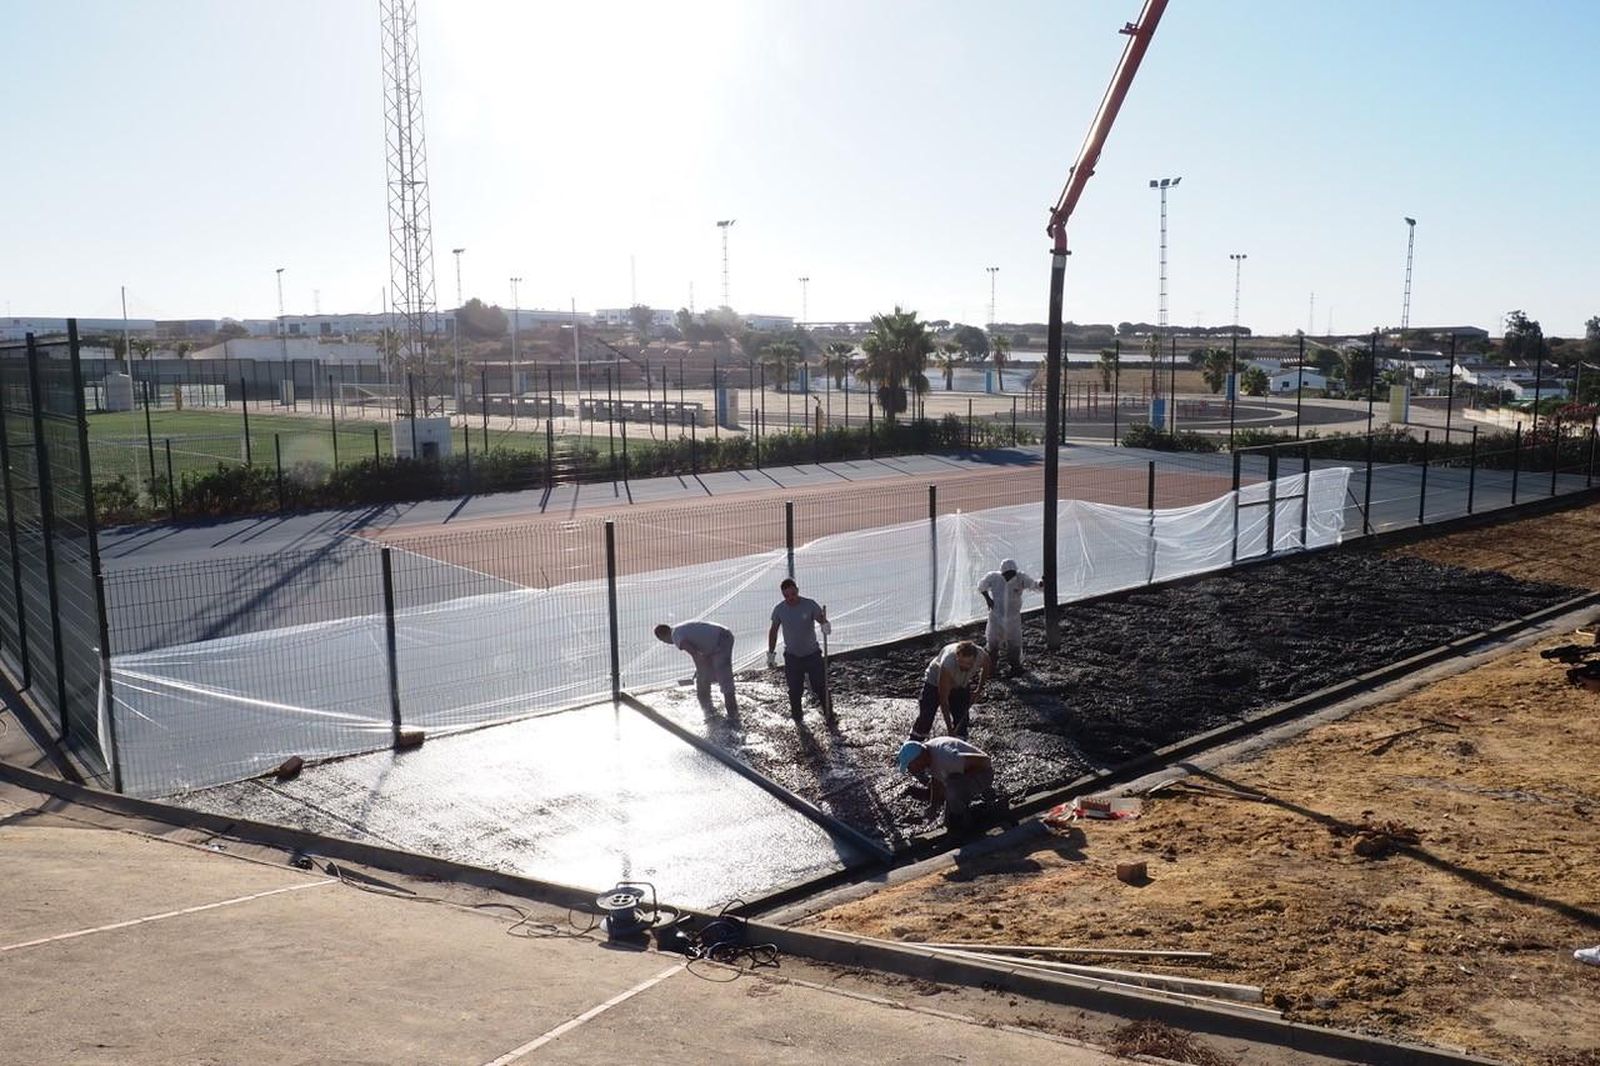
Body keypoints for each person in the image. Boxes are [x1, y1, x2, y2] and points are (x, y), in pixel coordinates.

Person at [766, 578, 831, 717]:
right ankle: (797, 718)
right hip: (792, 656)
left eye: (793, 594)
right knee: (795, 690)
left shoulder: (809, 605)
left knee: (820, 686)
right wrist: (771, 654)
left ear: (797, 590)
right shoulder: (779, 610)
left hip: (812, 654)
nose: (791, 598)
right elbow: (773, 631)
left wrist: (825, 625)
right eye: (787, 596)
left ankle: (829, 713)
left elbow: (821, 619)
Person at [897, 737, 994, 829]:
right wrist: (933, 807)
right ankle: (955, 819)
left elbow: (985, 761)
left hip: (984, 774)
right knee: (949, 790)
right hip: (960, 773)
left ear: (918, 758)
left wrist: (961, 780)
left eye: (910, 766)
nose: (911, 771)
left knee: (952, 789)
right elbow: (936, 778)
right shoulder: (927, 752)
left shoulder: (948, 757)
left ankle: (965, 823)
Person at [910, 640, 990, 741]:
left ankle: (960, 739)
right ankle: (915, 740)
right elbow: (944, 700)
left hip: (961, 681)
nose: (964, 665)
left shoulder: (982, 656)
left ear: (975, 659)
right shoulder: (948, 663)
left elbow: (986, 667)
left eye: (968, 663)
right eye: (961, 662)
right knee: (927, 714)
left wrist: (978, 690)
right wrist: (949, 729)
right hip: (935, 680)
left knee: (962, 716)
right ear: (957, 656)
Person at [654, 621, 738, 715]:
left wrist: (700, 670)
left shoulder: (675, 635)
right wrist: (701, 669)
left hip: (721, 639)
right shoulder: (679, 629)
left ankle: (732, 715)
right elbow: (701, 654)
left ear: (663, 637)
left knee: (723, 677)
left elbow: (694, 654)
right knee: (704, 677)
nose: (666, 643)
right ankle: (709, 708)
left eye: (663, 641)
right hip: (721, 636)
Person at [977, 558, 1039, 672]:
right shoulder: (994, 578)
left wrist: (1041, 583)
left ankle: (1015, 665)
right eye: (1006, 574)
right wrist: (988, 599)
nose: (1009, 577)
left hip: (1013, 617)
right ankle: (991, 666)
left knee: (1015, 641)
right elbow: (981, 586)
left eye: (1012, 574)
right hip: (996, 616)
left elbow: (1033, 585)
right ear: (1002, 573)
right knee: (993, 642)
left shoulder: (1020, 578)